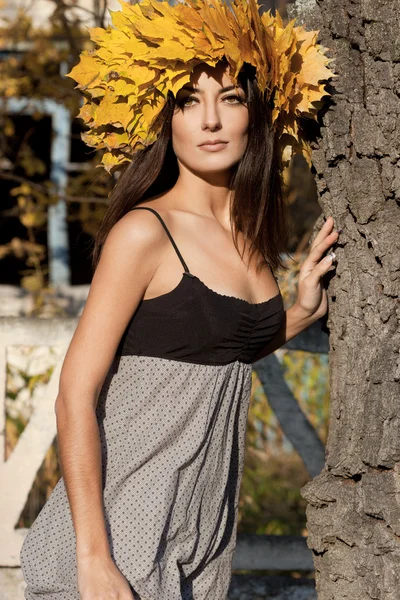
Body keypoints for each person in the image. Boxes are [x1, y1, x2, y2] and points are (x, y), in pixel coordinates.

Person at [20, 1, 338, 599]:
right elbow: (75, 392)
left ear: (256, 116)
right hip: (122, 526)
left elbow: (212, 349)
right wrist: (94, 556)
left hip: (198, 530)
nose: (210, 121)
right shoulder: (145, 232)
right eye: (189, 101)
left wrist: (298, 312)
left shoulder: (249, 236)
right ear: (167, 119)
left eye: (231, 99)